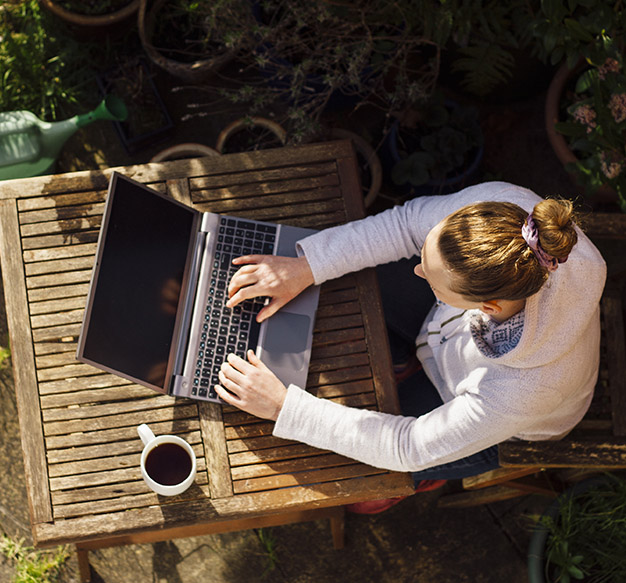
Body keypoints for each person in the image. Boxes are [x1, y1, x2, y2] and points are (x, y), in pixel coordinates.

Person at [215, 181, 607, 510]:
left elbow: (410, 445)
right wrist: (306, 267)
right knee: (361, 277)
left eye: (432, 279)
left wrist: (285, 408)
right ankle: (409, 356)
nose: (417, 270)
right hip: (452, 337)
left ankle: (430, 475)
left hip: (505, 424)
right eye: (425, 256)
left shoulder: (522, 391)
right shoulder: (506, 216)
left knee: (361, 488)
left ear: (488, 307)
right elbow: (404, 225)